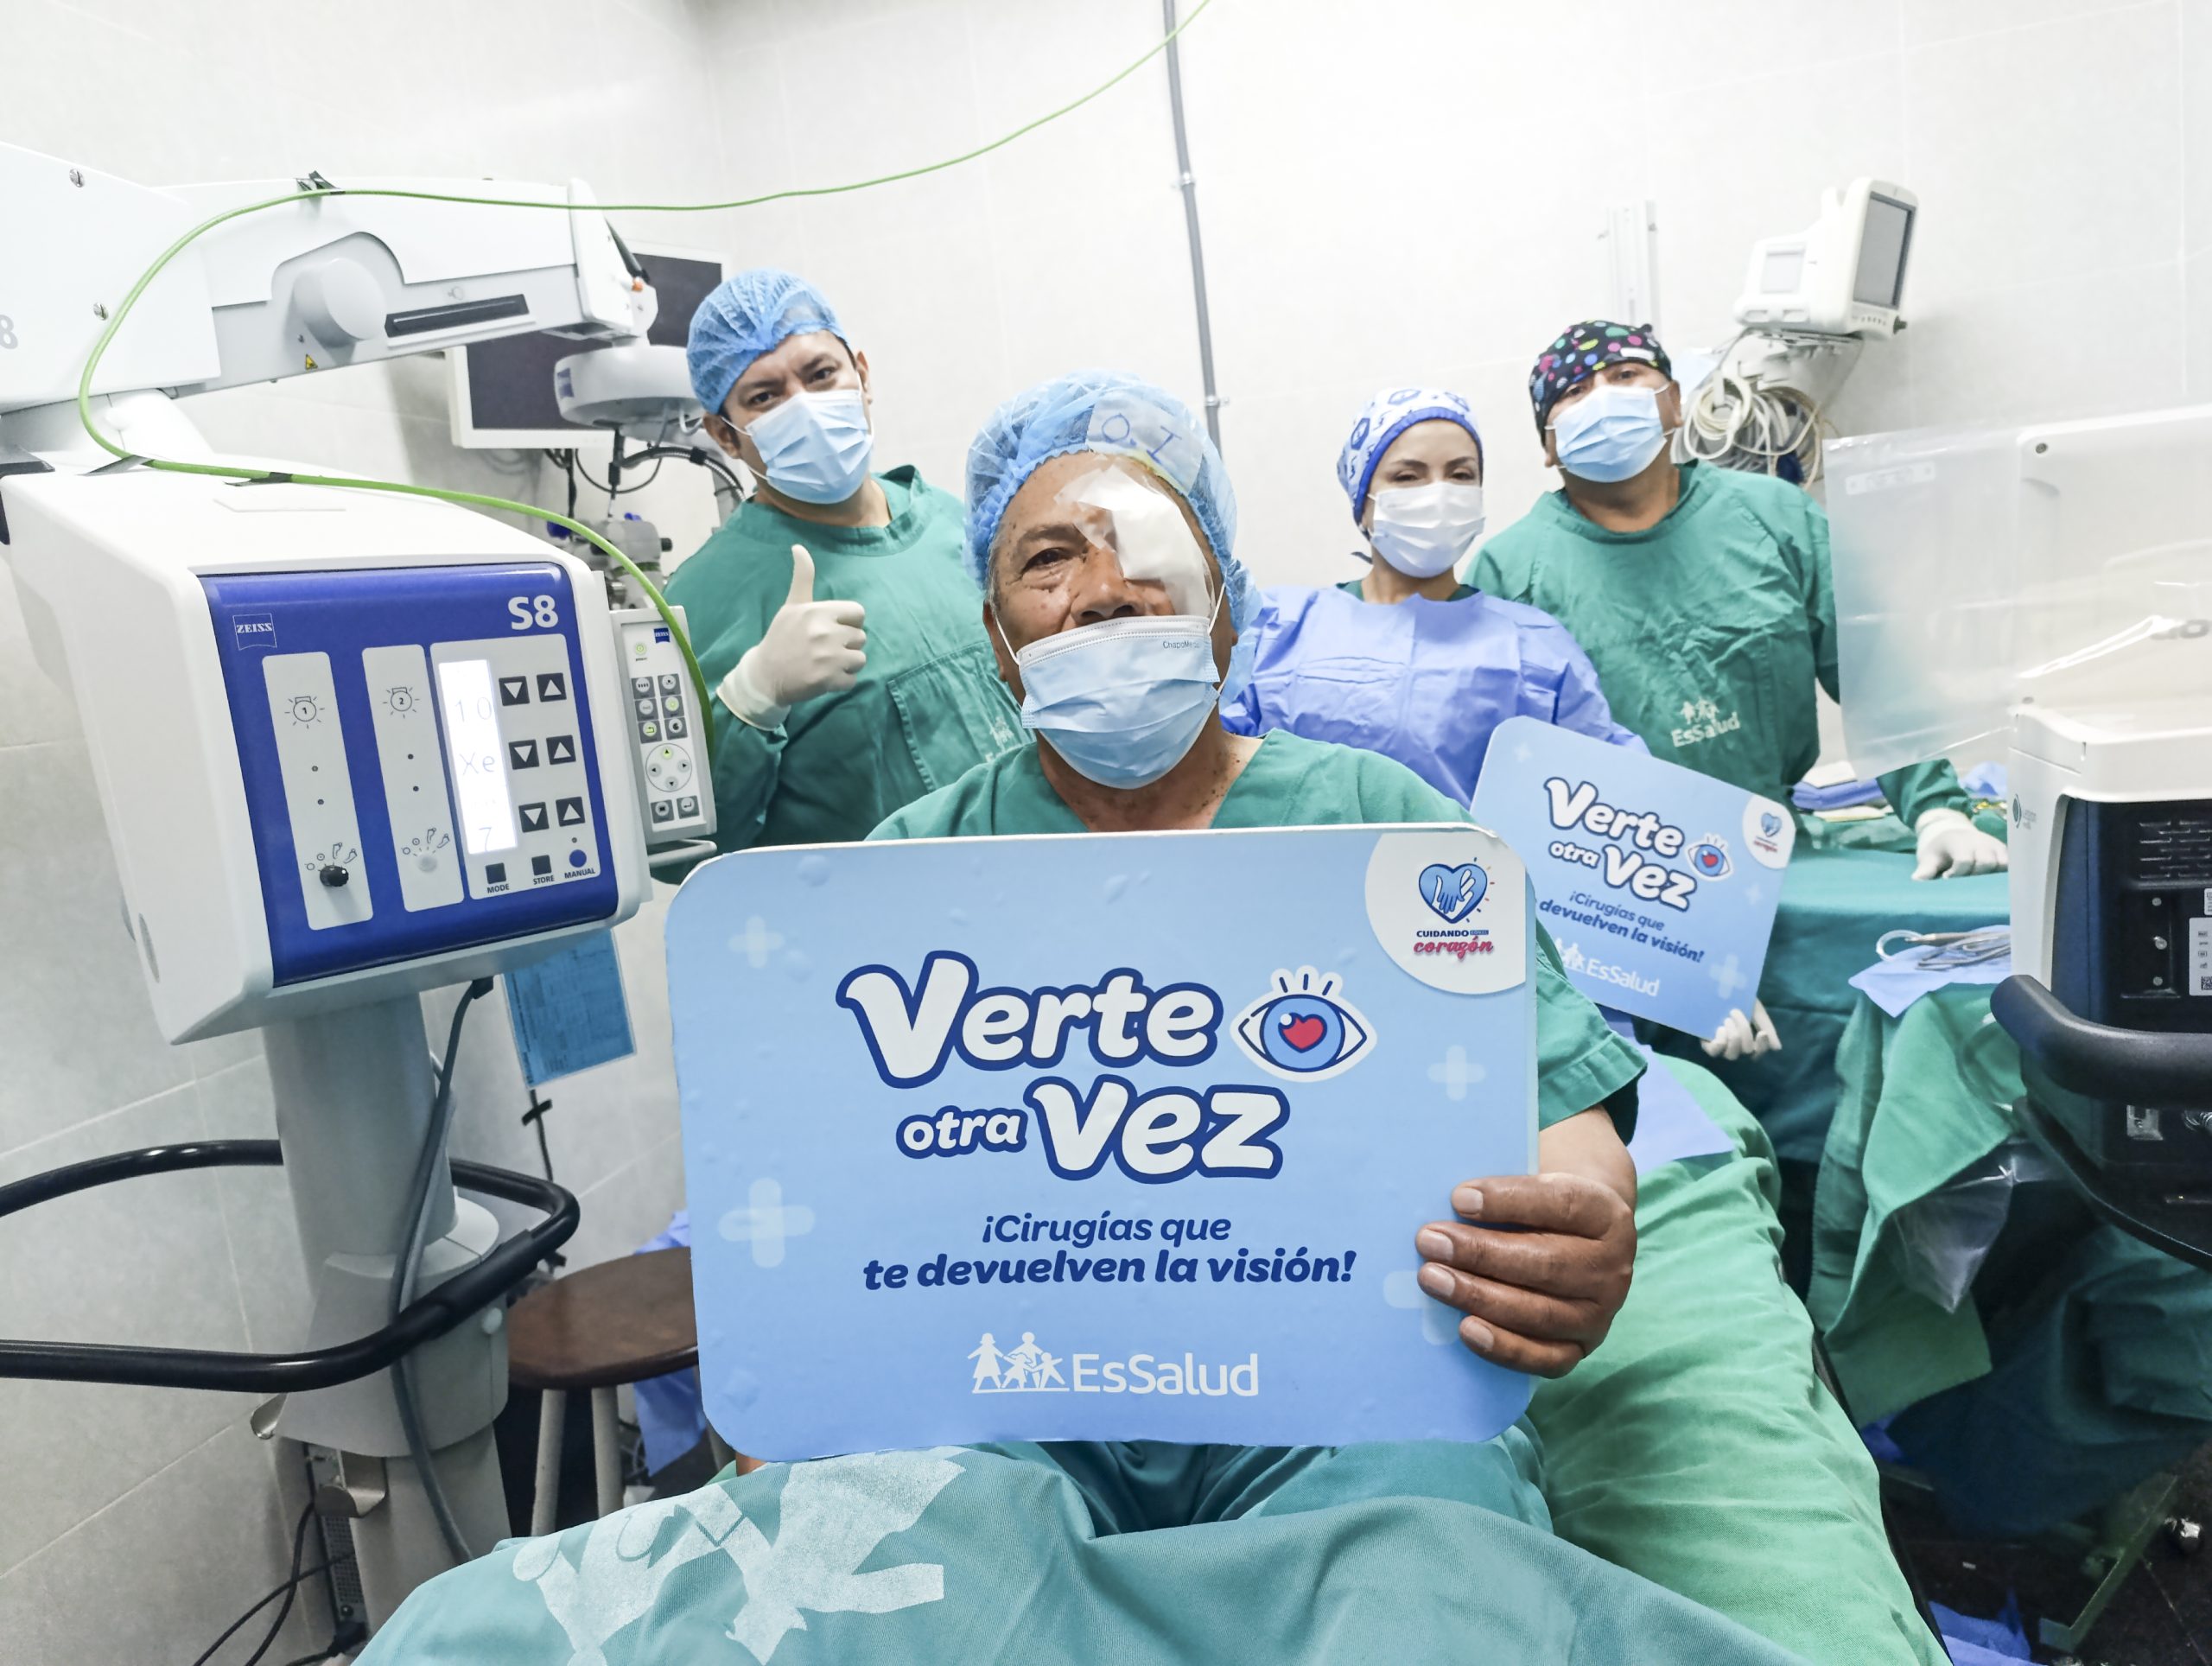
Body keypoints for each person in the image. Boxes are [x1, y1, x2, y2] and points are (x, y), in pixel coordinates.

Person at [359, 374, 1940, 1666]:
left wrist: (1585, 1219)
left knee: (1424, 1580)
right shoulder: (902, 874)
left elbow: (1556, 1114)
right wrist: (801, 1368)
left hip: (1345, 1392)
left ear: (1226, 611)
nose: (1105, 587)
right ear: (999, 637)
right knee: (901, 1591)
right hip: (1000, 1406)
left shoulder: (1381, 828)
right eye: (1049, 559)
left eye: (1149, 555)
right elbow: (832, 1203)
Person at [1473, 321, 2007, 1062]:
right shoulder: (1509, 572)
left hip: (1775, 857)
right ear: (1547, 445)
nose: (1603, 399)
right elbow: (1512, 790)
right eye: (1573, 392)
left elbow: (1872, 671)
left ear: (1673, 400)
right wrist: (1664, 948)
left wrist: (1937, 806)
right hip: (1613, 892)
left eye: (1624, 377)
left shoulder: (1775, 518)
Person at [666, 268, 1022, 850]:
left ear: (861, 374)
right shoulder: (702, 598)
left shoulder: (956, 522)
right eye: (765, 397)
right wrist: (754, 699)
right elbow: (686, 850)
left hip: (1043, 869)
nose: (804, 407)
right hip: (881, 907)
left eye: (821, 374)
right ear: (724, 436)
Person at [1220, 386, 1641, 804]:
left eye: (1461, 475)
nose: (1438, 494)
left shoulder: (1535, 647)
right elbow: (1216, 775)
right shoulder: (1279, 629)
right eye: (1407, 477)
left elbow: (1605, 797)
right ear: (1363, 500)